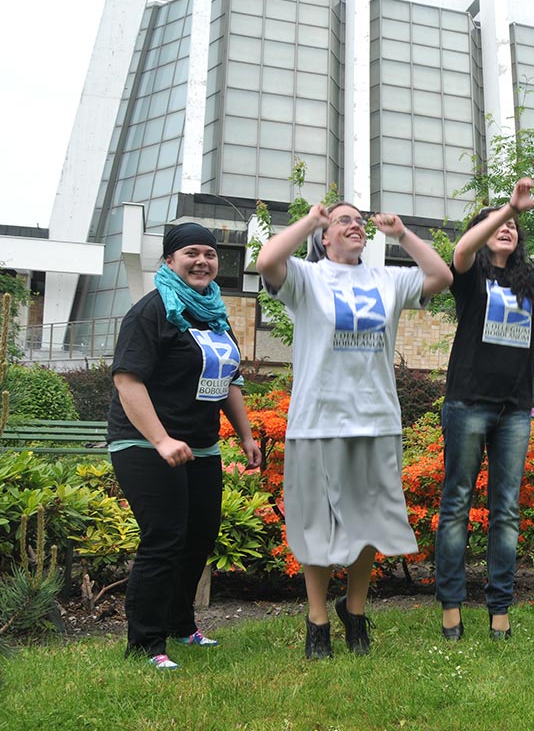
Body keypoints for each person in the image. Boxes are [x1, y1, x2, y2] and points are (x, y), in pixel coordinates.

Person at [256, 201, 452, 658]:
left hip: (376, 419)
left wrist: (403, 235)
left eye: (358, 221)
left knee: (370, 522)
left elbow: (441, 276)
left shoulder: (387, 279)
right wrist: (309, 218)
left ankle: (356, 611)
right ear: (324, 236)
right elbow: (267, 261)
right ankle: (317, 616)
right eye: (342, 220)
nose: (354, 225)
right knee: (316, 523)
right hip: (317, 420)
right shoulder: (308, 277)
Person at [108, 222, 263, 670]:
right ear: (170, 261)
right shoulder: (151, 311)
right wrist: (160, 439)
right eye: (191, 253)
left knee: (198, 537)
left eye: (210, 254)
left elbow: (227, 381)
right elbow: (127, 381)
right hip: (143, 442)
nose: (202, 261)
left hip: (200, 445)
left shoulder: (214, 312)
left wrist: (247, 435)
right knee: (164, 538)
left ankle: (181, 625)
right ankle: (145, 643)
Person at [435, 178, 534, 641]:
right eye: (498, 225)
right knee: (457, 505)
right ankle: (451, 606)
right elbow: (460, 252)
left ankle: (500, 609)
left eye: (513, 227)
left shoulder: (525, 282)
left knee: (504, 510)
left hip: (513, 408)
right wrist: (509, 208)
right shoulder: (470, 276)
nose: (507, 229)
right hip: (467, 401)